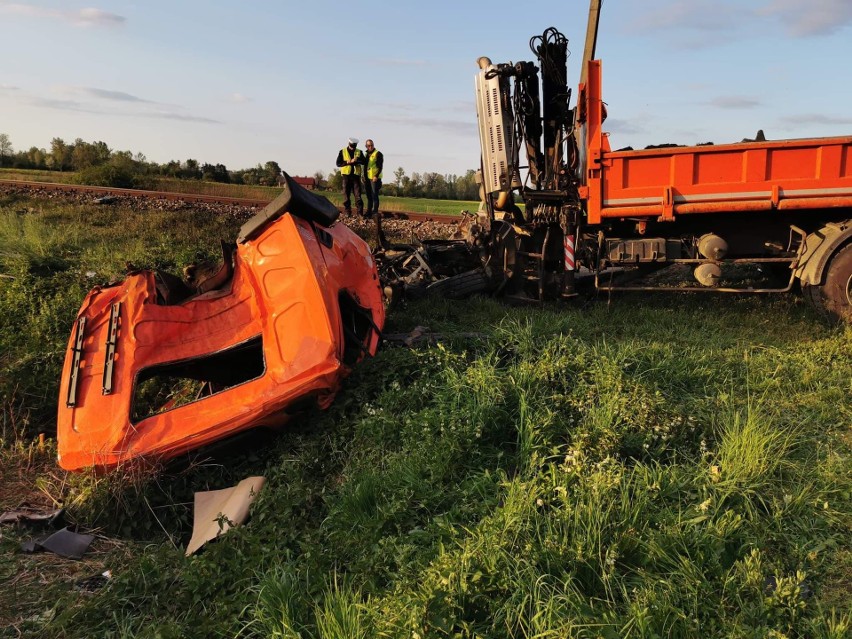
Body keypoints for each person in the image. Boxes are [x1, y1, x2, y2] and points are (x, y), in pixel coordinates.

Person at [335, 137, 364, 216]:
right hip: (346, 176)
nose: (352, 148)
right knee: (346, 195)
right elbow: (338, 163)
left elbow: (364, 161)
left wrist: (357, 161)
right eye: (351, 146)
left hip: (356, 176)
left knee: (358, 195)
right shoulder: (342, 151)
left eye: (354, 147)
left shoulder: (359, 152)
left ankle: (360, 213)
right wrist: (347, 162)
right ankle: (348, 212)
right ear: (349, 144)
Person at [363, 139, 383, 215]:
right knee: (369, 196)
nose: (370, 147)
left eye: (372, 145)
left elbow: (380, 167)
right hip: (367, 179)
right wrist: (364, 176)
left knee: (374, 196)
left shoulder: (378, 154)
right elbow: (365, 167)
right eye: (368, 145)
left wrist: (376, 176)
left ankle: (375, 212)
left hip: (375, 179)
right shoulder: (366, 155)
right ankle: (368, 212)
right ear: (366, 146)